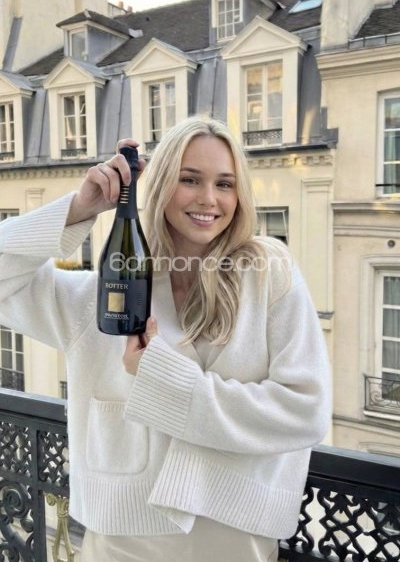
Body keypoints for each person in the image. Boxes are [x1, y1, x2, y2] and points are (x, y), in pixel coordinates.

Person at [0, 117, 331, 562]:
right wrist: (79, 209)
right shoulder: (103, 293)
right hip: (120, 543)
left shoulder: (269, 274)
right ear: (159, 186)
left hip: (234, 540)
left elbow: (305, 410)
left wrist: (162, 380)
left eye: (225, 184)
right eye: (189, 179)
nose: (209, 198)